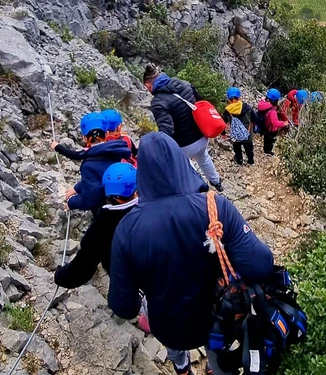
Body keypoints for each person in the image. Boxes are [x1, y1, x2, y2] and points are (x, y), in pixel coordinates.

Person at [108, 132, 273, 375]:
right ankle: (215, 368)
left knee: (175, 348)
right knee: (219, 354)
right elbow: (260, 265)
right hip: (217, 320)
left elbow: (124, 307)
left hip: (169, 326)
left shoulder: (126, 229)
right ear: (181, 162)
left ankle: (183, 368)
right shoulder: (216, 207)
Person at [55, 162, 138, 288]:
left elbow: (80, 271)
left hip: (131, 290)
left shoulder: (102, 227)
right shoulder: (150, 208)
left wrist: (60, 276)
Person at [143, 65, 223, 192]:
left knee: (186, 165)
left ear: (148, 86)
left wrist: (159, 147)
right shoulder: (185, 84)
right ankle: (217, 182)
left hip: (185, 145)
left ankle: (200, 189)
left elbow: (167, 130)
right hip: (202, 136)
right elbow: (200, 103)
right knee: (204, 158)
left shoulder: (158, 102)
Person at [65, 113, 132, 213]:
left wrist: (72, 202)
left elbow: (91, 199)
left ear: (84, 138)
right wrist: (77, 188)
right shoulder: (116, 152)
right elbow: (100, 174)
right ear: (107, 134)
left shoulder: (89, 165)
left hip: (108, 213)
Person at [222, 87, 256, 166]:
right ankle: (251, 161)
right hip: (247, 134)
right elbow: (255, 118)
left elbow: (222, 123)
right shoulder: (246, 107)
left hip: (236, 135)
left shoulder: (227, 111)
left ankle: (239, 161)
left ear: (229, 99)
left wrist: (223, 133)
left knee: (237, 148)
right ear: (239, 97)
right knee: (249, 148)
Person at [257, 88, 289, 156]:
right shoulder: (272, 110)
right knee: (270, 141)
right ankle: (268, 152)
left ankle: (266, 151)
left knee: (266, 139)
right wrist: (284, 123)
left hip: (265, 126)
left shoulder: (262, 103)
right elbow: (275, 123)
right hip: (271, 128)